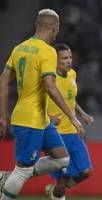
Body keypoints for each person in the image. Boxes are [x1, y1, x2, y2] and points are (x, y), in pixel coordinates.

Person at [0, 9, 84, 200]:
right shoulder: (48, 51)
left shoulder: (19, 48)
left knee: (62, 158)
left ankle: (8, 177)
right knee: (22, 171)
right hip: (29, 120)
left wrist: (3, 116)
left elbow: (3, 80)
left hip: (40, 119)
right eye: (58, 28)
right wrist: (72, 117)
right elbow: (51, 87)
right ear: (54, 28)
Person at [45, 43, 94, 200]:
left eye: (70, 57)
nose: (69, 61)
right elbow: (38, 103)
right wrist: (48, 118)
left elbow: (71, 99)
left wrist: (82, 114)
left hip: (73, 133)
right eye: (64, 58)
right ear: (55, 60)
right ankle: (57, 191)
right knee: (63, 179)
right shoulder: (49, 79)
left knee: (86, 172)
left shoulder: (72, 74)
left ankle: (55, 190)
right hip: (56, 135)